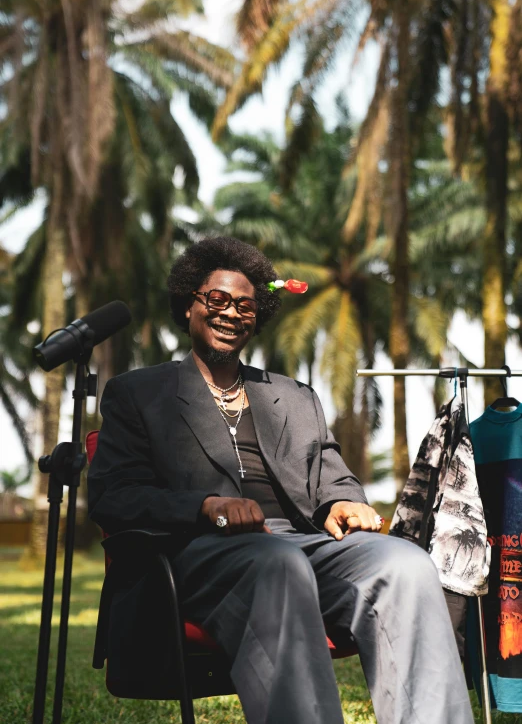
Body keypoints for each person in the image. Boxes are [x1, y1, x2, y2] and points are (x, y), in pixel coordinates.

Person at [88, 236, 474, 724]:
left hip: (301, 545)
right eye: (218, 300)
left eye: (245, 306)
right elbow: (113, 496)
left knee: (405, 563)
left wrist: (342, 503)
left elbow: (332, 478)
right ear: (190, 306)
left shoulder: (293, 397)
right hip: (196, 550)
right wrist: (206, 506)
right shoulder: (139, 393)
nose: (231, 313)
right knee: (278, 562)